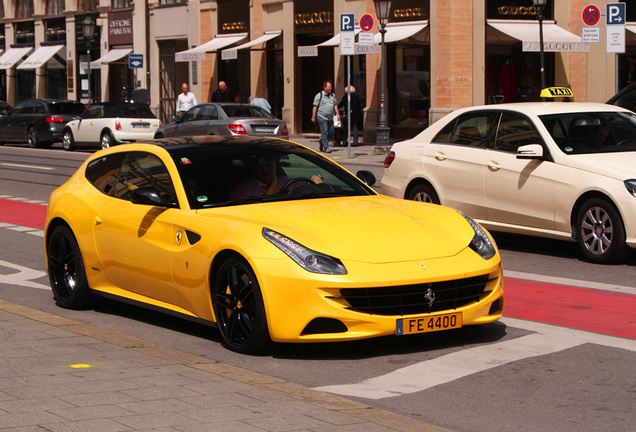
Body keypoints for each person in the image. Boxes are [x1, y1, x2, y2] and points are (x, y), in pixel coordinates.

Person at [311, 80, 340, 153]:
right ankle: (326, 147)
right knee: (325, 132)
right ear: (324, 87)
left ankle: (322, 141)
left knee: (331, 132)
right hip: (321, 117)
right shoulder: (319, 95)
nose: (330, 88)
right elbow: (315, 107)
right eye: (329, 87)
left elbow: (335, 105)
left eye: (331, 86)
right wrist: (313, 117)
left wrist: (338, 114)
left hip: (330, 117)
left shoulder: (333, 95)